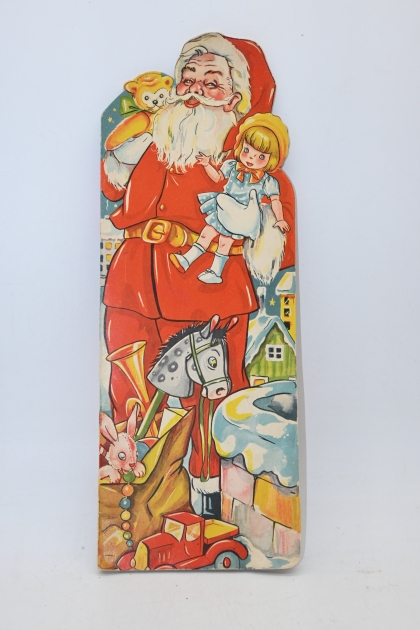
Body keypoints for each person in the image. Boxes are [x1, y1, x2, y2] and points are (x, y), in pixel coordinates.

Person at [101, 33, 296, 516]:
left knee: (205, 401)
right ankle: (133, 504)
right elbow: (111, 184)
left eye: (211, 83)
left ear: (236, 100)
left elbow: (278, 235)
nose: (193, 91)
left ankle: (207, 503)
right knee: (129, 395)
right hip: (132, 282)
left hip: (207, 290)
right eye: (187, 79)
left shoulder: (246, 162)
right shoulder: (155, 138)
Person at [169, 113, 290, 284]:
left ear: (272, 159)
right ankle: (187, 259)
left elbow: (275, 201)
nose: (251, 158)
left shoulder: (267, 181)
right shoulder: (232, 166)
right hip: (224, 207)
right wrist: (207, 165)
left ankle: (215, 272)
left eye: (261, 156)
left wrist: (280, 219)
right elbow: (217, 178)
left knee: (225, 243)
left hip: (242, 216)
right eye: (247, 150)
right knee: (206, 233)